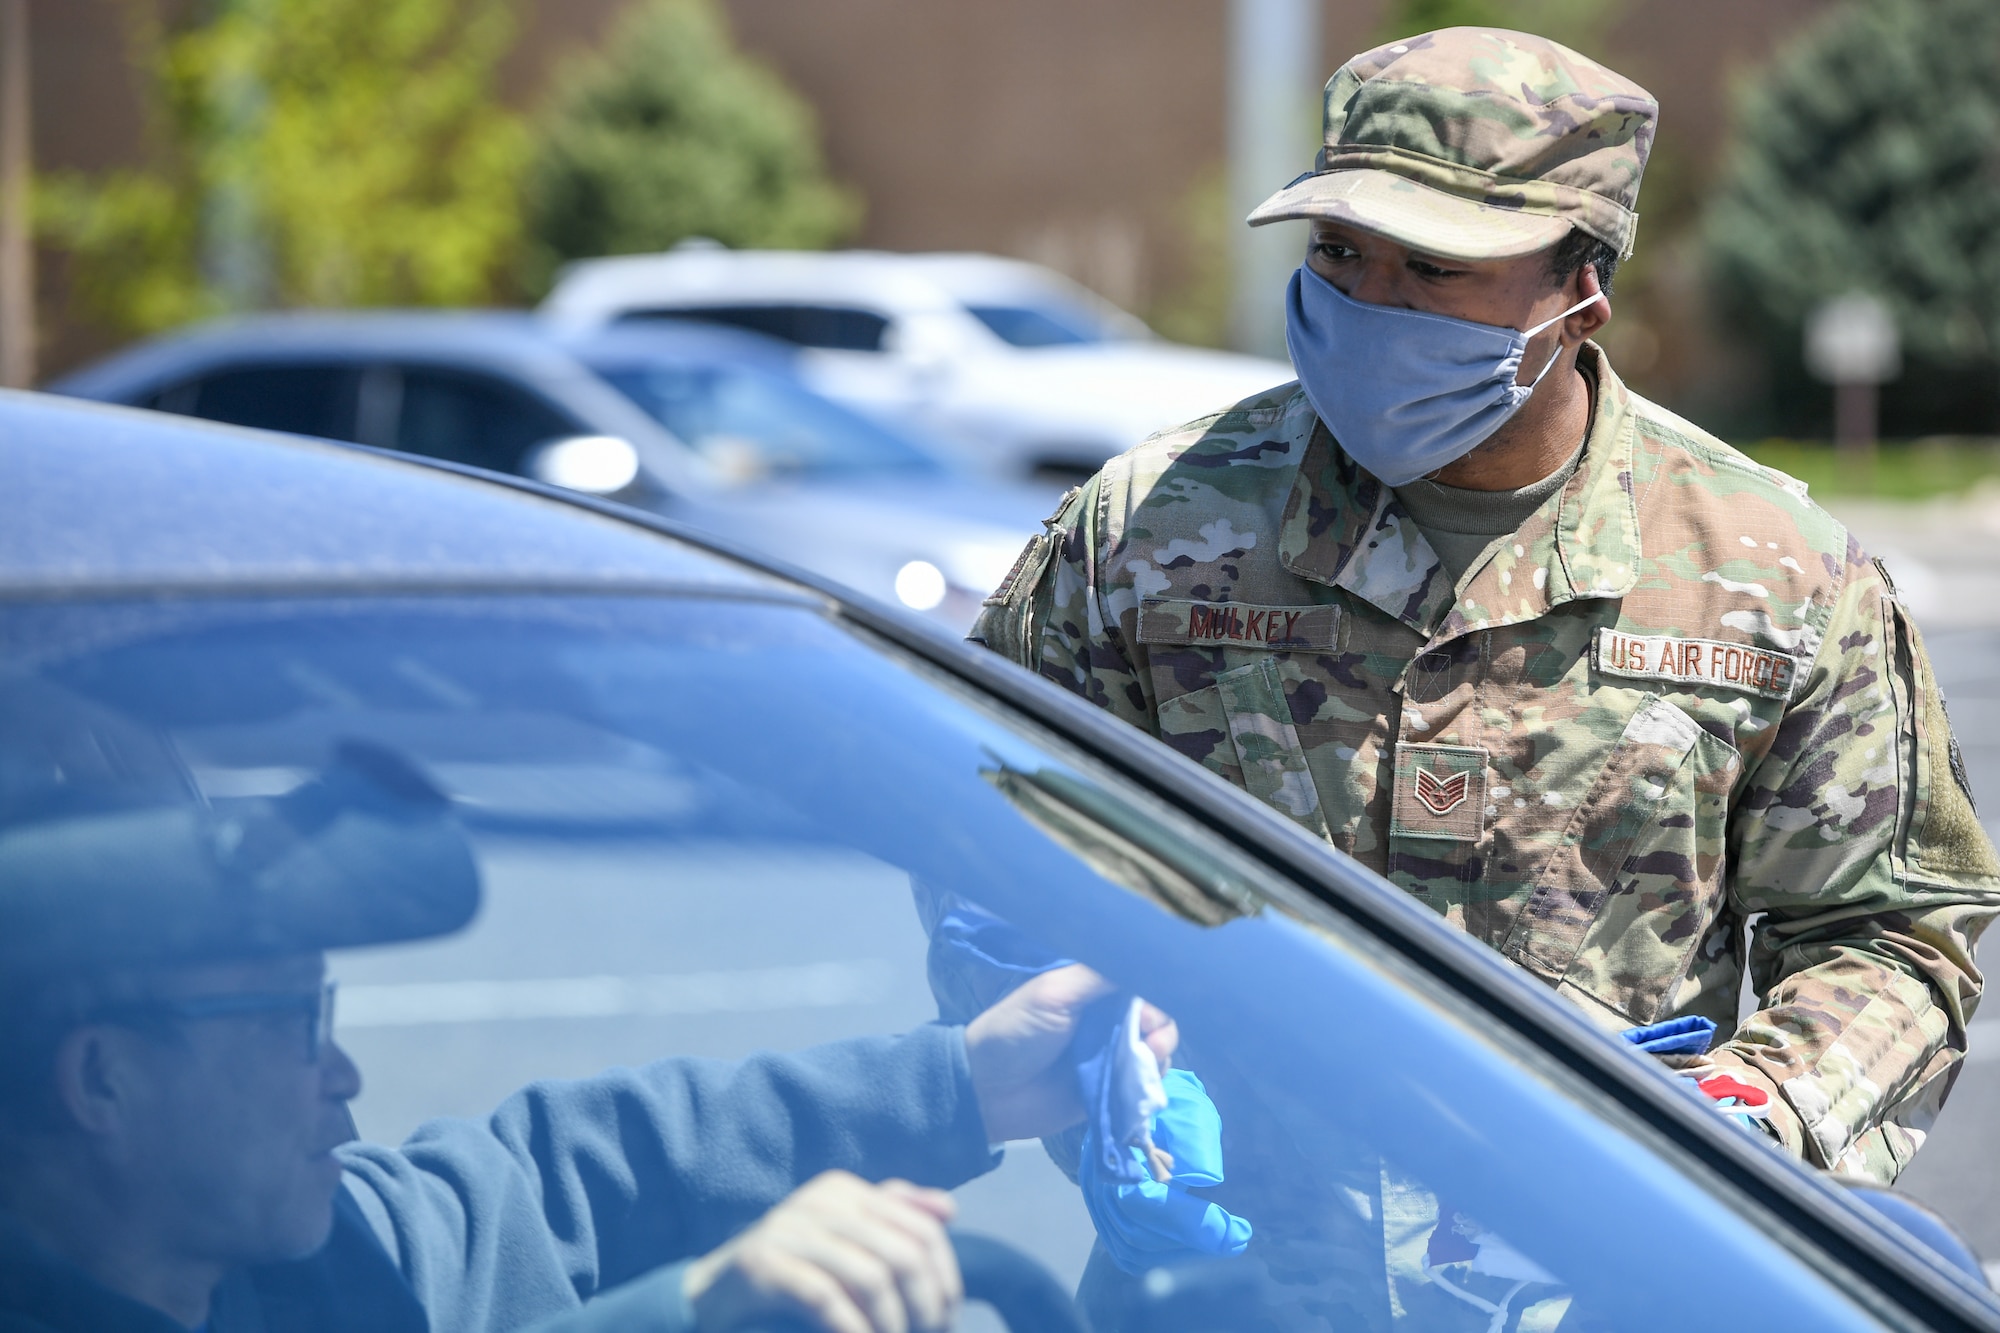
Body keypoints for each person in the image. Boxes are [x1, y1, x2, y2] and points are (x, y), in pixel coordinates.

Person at [973, 26, 2000, 1186]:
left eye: (1431, 266)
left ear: (1581, 288)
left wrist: (1743, 1121)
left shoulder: (1778, 575)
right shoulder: (1146, 529)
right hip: (1235, 1270)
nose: (1369, 301)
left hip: (1606, 1264)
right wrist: (1109, 1085)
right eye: (1339, 251)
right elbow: (988, 846)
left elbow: (1887, 935)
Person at [0, 743, 1174, 1333]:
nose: (341, 1072)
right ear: (102, 1078)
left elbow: (541, 1184)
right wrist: (697, 1308)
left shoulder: (270, 1266)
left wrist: (964, 1081)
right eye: (291, 1022)